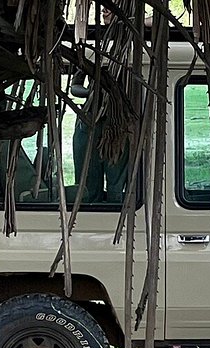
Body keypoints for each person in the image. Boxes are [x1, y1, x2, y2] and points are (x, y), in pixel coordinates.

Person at [70, 5, 132, 204]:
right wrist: (94, 93)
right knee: (87, 184)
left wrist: (127, 19)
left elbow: (157, 21)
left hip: (117, 125)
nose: (105, 11)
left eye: (111, 6)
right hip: (88, 121)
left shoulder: (130, 47)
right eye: (103, 7)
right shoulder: (94, 47)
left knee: (116, 184)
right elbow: (75, 86)